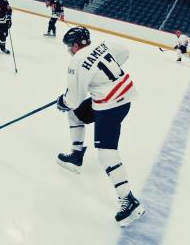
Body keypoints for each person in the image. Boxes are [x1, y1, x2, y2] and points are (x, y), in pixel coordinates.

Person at [55, 26, 145, 227]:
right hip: (125, 96)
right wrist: (100, 77)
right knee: (75, 115)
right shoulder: (103, 45)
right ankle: (76, 155)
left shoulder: (76, 62)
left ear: (77, 45)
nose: (69, 50)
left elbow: (74, 99)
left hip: (110, 105)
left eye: (70, 46)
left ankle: (128, 200)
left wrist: (62, 102)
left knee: (105, 152)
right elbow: (124, 52)